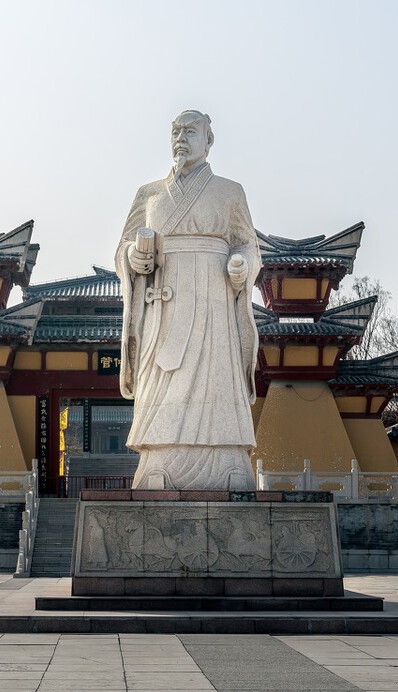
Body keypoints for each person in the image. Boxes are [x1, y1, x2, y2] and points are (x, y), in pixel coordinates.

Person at [115, 110, 260, 490]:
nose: (181, 138)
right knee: (162, 379)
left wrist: (242, 265)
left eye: (190, 131)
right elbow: (124, 246)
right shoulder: (149, 194)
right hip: (163, 303)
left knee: (218, 376)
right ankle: (159, 462)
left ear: (208, 140)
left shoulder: (230, 192)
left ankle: (229, 462)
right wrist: (132, 257)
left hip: (213, 300)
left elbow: (247, 244)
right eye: (175, 132)